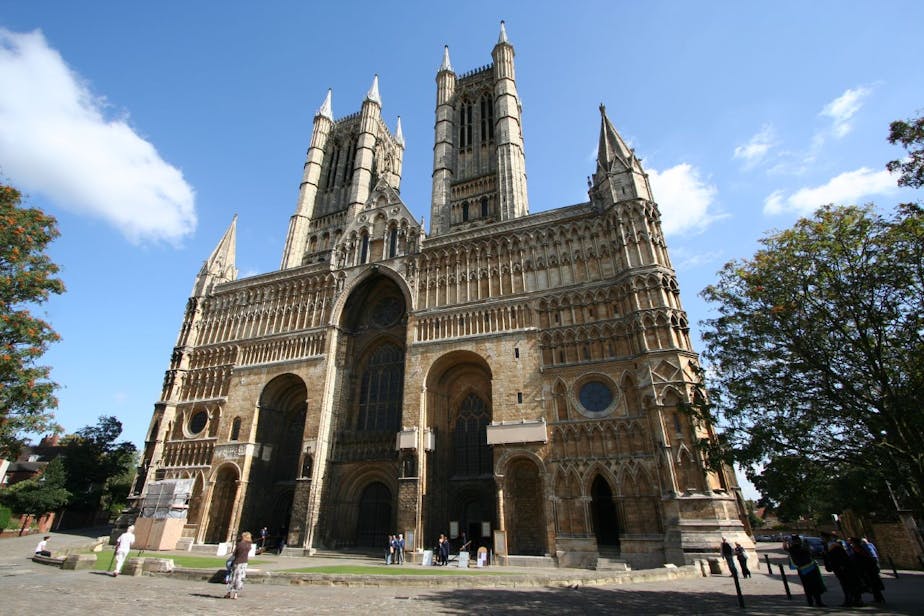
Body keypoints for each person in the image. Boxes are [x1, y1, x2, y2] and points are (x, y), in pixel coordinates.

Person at [784, 535, 826, 607]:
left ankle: (810, 602)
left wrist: (785, 542)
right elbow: (810, 553)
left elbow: (785, 548)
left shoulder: (792, 549)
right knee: (815, 585)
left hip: (801, 570)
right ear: (799, 541)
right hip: (810, 568)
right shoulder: (802, 547)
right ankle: (818, 601)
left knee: (807, 587)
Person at [824, 539, 864, 607]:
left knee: (848, 585)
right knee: (851, 585)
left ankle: (851, 600)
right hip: (845, 570)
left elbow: (831, 560)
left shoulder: (834, 550)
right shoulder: (839, 549)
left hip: (843, 570)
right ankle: (855, 600)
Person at [850, 537, 885, 603]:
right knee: (874, 583)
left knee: (872, 583)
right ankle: (878, 597)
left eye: (852, 542)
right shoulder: (862, 548)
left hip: (867, 569)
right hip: (869, 568)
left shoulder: (859, 548)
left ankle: (878, 598)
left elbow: (861, 559)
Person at [225, 531, 252, 599]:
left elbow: (234, 554)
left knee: (233, 577)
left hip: (237, 562)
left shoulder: (240, 544)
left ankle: (229, 593)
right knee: (240, 578)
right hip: (244, 563)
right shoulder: (249, 546)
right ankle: (236, 594)